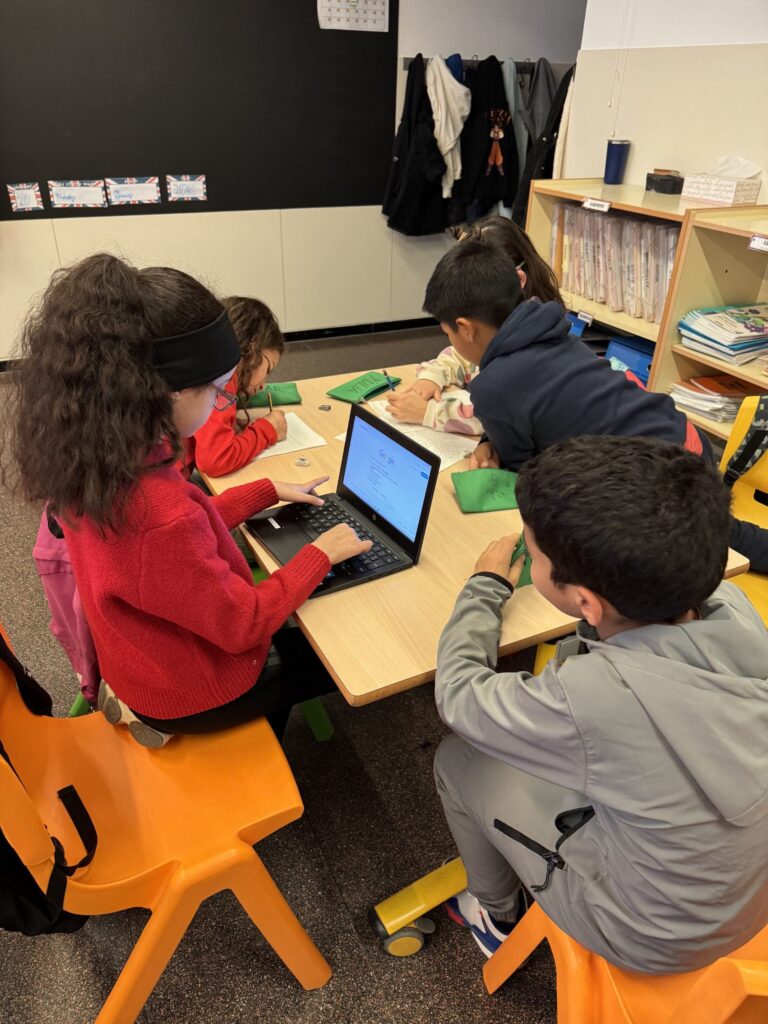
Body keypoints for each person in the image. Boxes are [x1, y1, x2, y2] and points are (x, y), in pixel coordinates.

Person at [3, 253, 370, 747]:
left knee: (297, 615)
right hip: (189, 694)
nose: (223, 402)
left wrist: (262, 492)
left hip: (140, 663)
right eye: (218, 392)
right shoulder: (159, 511)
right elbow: (243, 623)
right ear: (168, 393)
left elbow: (166, 548)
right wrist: (319, 555)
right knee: (335, 652)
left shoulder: (97, 456)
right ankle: (256, 746)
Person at [434, 435, 768, 972]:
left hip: (654, 935)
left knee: (457, 759)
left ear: (585, 600)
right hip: (744, 897)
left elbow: (457, 696)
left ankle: (496, 916)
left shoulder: (593, 697)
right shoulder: (732, 606)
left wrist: (484, 585)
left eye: (533, 554)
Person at [421, 238, 768, 570]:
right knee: (717, 530)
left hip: (662, 483)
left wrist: (494, 445)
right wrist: (490, 440)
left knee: (716, 539)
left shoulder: (494, 386)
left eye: (447, 333)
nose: (449, 339)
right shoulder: (549, 330)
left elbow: (521, 471)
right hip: (684, 440)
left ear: (466, 329)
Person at [386, 215, 562, 436]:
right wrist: (434, 375)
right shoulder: (507, 323)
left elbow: (492, 416)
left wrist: (428, 413)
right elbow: (463, 357)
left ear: (515, 279)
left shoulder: (531, 344)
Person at [189, 296, 287, 477]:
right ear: (253, 346)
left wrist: (225, 425)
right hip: (163, 488)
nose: (263, 384)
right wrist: (268, 429)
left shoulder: (204, 358)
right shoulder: (222, 376)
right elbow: (215, 461)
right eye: (267, 369)